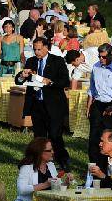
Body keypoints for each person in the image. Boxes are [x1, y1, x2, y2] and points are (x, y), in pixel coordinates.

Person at [15, 37, 71, 170]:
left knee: (54, 135)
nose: (37, 52)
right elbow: (18, 80)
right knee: (39, 136)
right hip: (37, 104)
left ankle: (62, 159)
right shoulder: (31, 61)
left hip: (54, 105)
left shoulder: (57, 61)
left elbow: (65, 81)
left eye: (39, 49)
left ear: (47, 48)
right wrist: (23, 75)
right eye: (35, 49)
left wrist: (50, 82)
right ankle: (39, 162)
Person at [86, 49, 112, 164]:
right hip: (98, 103)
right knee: (94, 137)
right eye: (99, 56)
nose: (101, 59)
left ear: (111, 56)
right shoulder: (96, 66)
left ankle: (107, 163)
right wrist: (88, 106)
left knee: (109, 135)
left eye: (104, 57)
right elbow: (92, 88)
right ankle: (93, 164)